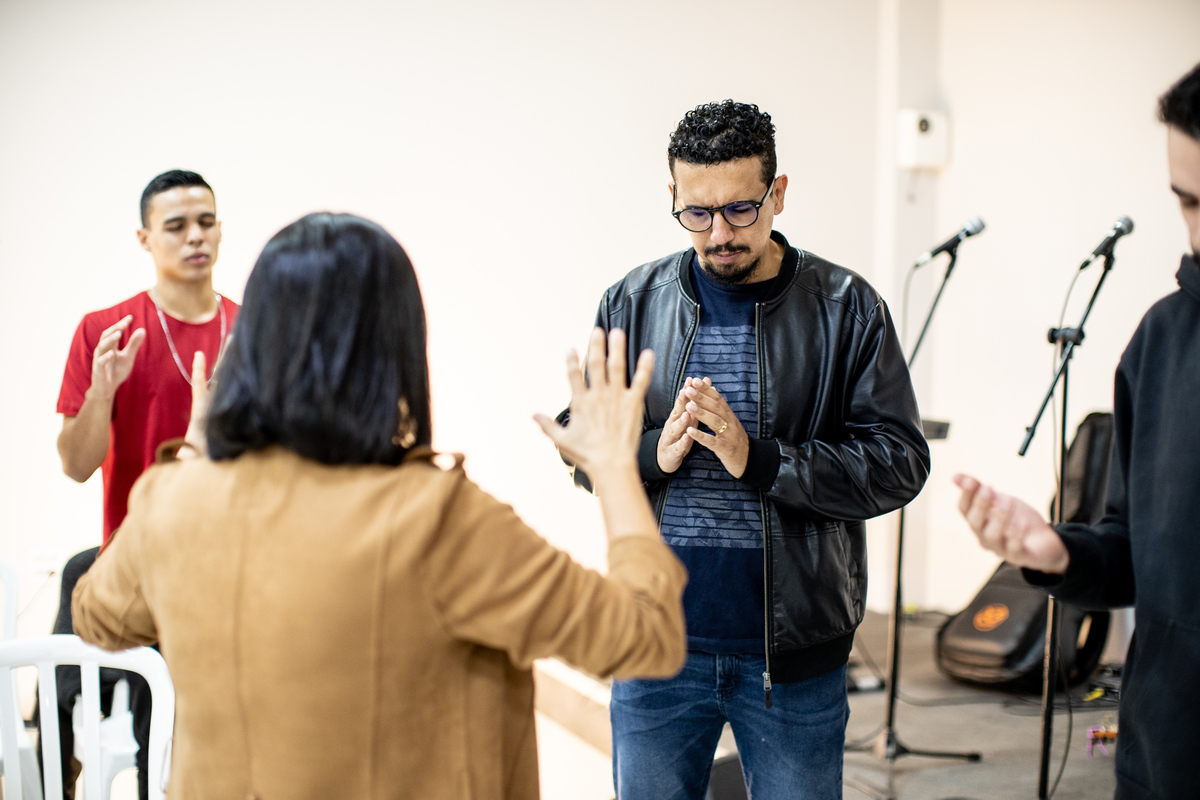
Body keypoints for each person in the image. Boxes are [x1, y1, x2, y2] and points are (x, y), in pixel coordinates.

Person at [71, 212, 688, 799]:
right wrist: (614, 464)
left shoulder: (172, 500)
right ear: (395, 349)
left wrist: (198, 452)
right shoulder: (437, 519)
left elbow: (97, 617)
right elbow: (646, 638)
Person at [565, 101, 930, 799]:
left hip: (794, 659)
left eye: (740, 209)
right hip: (654, 645)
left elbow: (900, 461)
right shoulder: (632, 302)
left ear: (778, 193)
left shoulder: (847, 308)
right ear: (673, 197)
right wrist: (652, 454)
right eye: (697, 213)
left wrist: (762, 460)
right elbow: (582, 443)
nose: (720, 234)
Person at [954, 62, 1200, 800]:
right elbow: (1133, 553)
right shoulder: (1161, 341)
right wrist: (1057, 551)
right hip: (1165, 761)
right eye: (1189, 202)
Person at [51, 169, 238, 800]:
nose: (195, 237)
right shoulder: (105, 330)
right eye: (176, 226)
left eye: (206, 222)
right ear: (145, 238)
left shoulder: (253, 334)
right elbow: (76, 466)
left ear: (220, 230)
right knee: (82, 588)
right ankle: (56, 770)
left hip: (223, 571)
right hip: (132, 567)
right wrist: (101, 393)